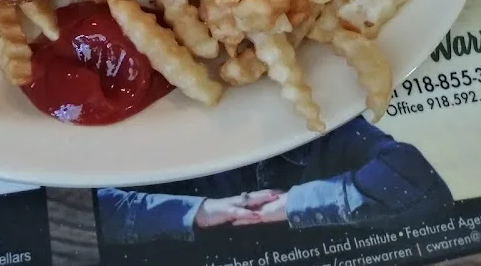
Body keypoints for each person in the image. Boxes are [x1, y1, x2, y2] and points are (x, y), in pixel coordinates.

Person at [96, 117, 453, 244]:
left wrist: (293, 205)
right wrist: (200, 211)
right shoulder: (160, 139)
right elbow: (87, 210)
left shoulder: (320, 125)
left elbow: (417, 181)